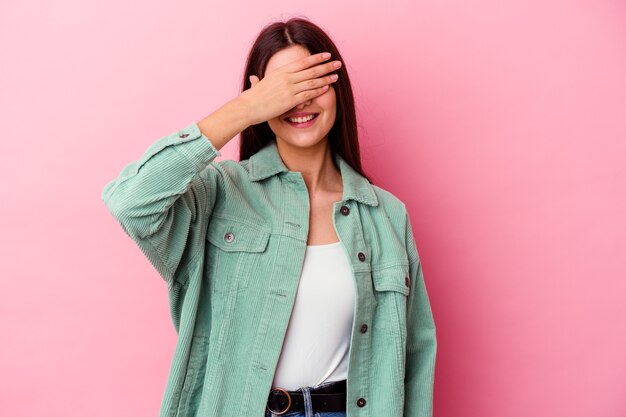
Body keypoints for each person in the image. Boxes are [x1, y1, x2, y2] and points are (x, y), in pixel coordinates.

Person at [101, 17, 436, 417]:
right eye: (283, 89)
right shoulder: (219, 193)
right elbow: (130, 202)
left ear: (338, 89)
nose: (299, 101)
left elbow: (415, 358)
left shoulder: (386, 215)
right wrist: (245, 109)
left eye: (312, 82)